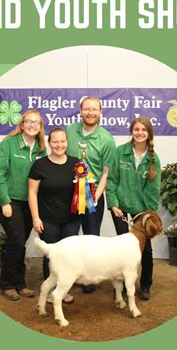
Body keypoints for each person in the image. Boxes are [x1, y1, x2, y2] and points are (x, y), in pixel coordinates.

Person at [0, 110, 47, 301]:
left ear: (40, 128)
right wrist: (5, 202)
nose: (32, 125)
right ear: (22, 124)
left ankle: (20, 283)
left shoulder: (41, 149)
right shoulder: (9, 144)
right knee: (16, 241)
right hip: (10, 201)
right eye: (29, 121)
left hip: (29, 203)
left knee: (19, 243)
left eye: (36, 123)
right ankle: (7, 284)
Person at [106, 116, 161, 301]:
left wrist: (148, 213)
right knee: (121, 249)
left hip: (141, 211)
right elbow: (111, 180)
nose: (140, 133)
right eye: (136, 129)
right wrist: (113, 203)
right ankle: (119, 288)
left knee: (145, 250)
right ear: (131, 131)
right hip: (120, 208)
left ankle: (145, 285)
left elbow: (153, 189)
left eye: (143, 130)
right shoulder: (119, 152)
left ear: (149, 134)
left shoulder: (154, 159)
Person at [66, 96, 116, 293]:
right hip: (68, 194)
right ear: (80, 111)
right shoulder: (70, 131)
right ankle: (69, 276)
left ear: (101, 112)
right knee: (68, 236)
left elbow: (106, 173)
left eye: (94, 109)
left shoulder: (107, 140)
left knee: (91, 238)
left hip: (93, 194)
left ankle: (89, 279)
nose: (90, 112)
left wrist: (96, 196)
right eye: (86, 109)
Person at [28, 128, 80, 304]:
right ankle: (50, 291)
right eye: (55, 142)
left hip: (71, 221)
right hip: (48, 220)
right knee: (51, 256)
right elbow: (32, 193)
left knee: (68, 257)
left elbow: (82, 191)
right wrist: (36, 217)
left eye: (62, 141)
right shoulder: (40, 165)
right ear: (49, 143)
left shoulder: (76, 164)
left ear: (67, 142)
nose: (59, 145)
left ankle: (62, 291)